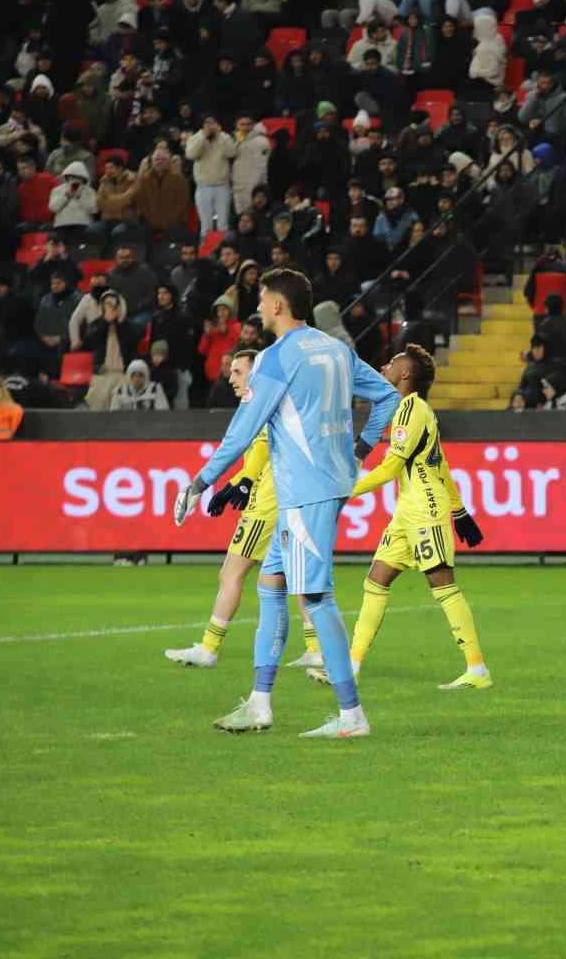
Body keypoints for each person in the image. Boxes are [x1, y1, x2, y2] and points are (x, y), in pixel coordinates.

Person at [173, 268, 401, 739]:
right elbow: (387, 396)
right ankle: (259, 703)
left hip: (304, 492)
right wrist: (360, 450)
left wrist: (200, 482)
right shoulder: (336, 349)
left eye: (261, 299)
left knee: (316, 596)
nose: (257, 307)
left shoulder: (276, 358)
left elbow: (242, 430)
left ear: (277, 305)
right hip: (326, 484)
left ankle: (352, 715)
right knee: (272, 584)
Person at [325, 345, 490, 690]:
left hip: (425, 510)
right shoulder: (409, 410)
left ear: (405, 375)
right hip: (407, 512)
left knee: (442, 584)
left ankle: (477, 668)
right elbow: (441, 465)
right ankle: (351, 666)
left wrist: (345, 489)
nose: (384, 365)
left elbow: (390, 468)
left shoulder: (412, 410)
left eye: (392, 362)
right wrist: (460, 511)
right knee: (376, 580)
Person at [163, 349, 323, 671]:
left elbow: (261, 448)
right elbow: (260, 456)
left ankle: (209, 648)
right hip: (285, 498)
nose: (231, 378)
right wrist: (233, 484)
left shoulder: (263, 402)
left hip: (267, 504)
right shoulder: (277, 401)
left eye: (238, 371)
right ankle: (316, 648)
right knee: (294, 576)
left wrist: (244, 482)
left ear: (256, 373)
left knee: (231, 573)